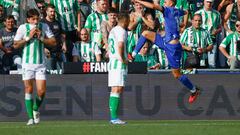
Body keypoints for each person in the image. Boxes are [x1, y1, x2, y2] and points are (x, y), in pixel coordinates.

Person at [131, 0, 200, 104]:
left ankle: (194, 90)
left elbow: (153, 5)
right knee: (145, 33)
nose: (164, 3)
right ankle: (132, 55)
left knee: (177, 74)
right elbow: (185, 12)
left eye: (166, 1)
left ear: (171, 3)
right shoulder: (176, 11)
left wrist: (138, 1)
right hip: (165, 41)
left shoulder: (168, 10)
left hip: (173, 48)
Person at [13, 9, 56, 125]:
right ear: (28, 19)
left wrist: (42, 38)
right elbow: (15, 44)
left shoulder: (44, 26)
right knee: (29, 89)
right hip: (27, 64)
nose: (36, 21)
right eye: (33, 19)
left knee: (41, 91)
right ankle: (30, 118)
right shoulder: (23, 28)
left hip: (40, 63)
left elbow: (53, 42)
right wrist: (28, 37)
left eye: (37, 19)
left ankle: (35, 108)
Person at [108, 12, 129, 124]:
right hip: (118, 63)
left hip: (112, 62)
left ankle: (113, 117)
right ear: (125, 20)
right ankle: (114, 118)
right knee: (117, 89)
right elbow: (120, 44)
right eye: (128, 19)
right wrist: (122, 58)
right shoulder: (121, 30)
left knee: (115, 89)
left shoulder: (113, 30)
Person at [195, 0, 222, 68]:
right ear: (204, 2)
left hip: (212, 40)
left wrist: (216, 31)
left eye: (210, 2)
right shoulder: (198, 13)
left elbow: (220, 27)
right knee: (200, 63)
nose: (209, 3)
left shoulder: (217, 14)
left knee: (212, 63)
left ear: (213, 3)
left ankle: (212, 78)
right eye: (207, 1)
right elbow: (193, 27)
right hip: (200, 41)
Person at [41, 4, 66, 71]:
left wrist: (64, 44)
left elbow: (62, 35)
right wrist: (43, 48)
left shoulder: (57, 22)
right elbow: (39, 37)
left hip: (59, 52)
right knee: (50, 75)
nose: (53, 13)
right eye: (51, 11)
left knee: (65, 72)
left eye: (54, 11)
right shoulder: (42, 23)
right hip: (48, 53)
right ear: (46, 12)